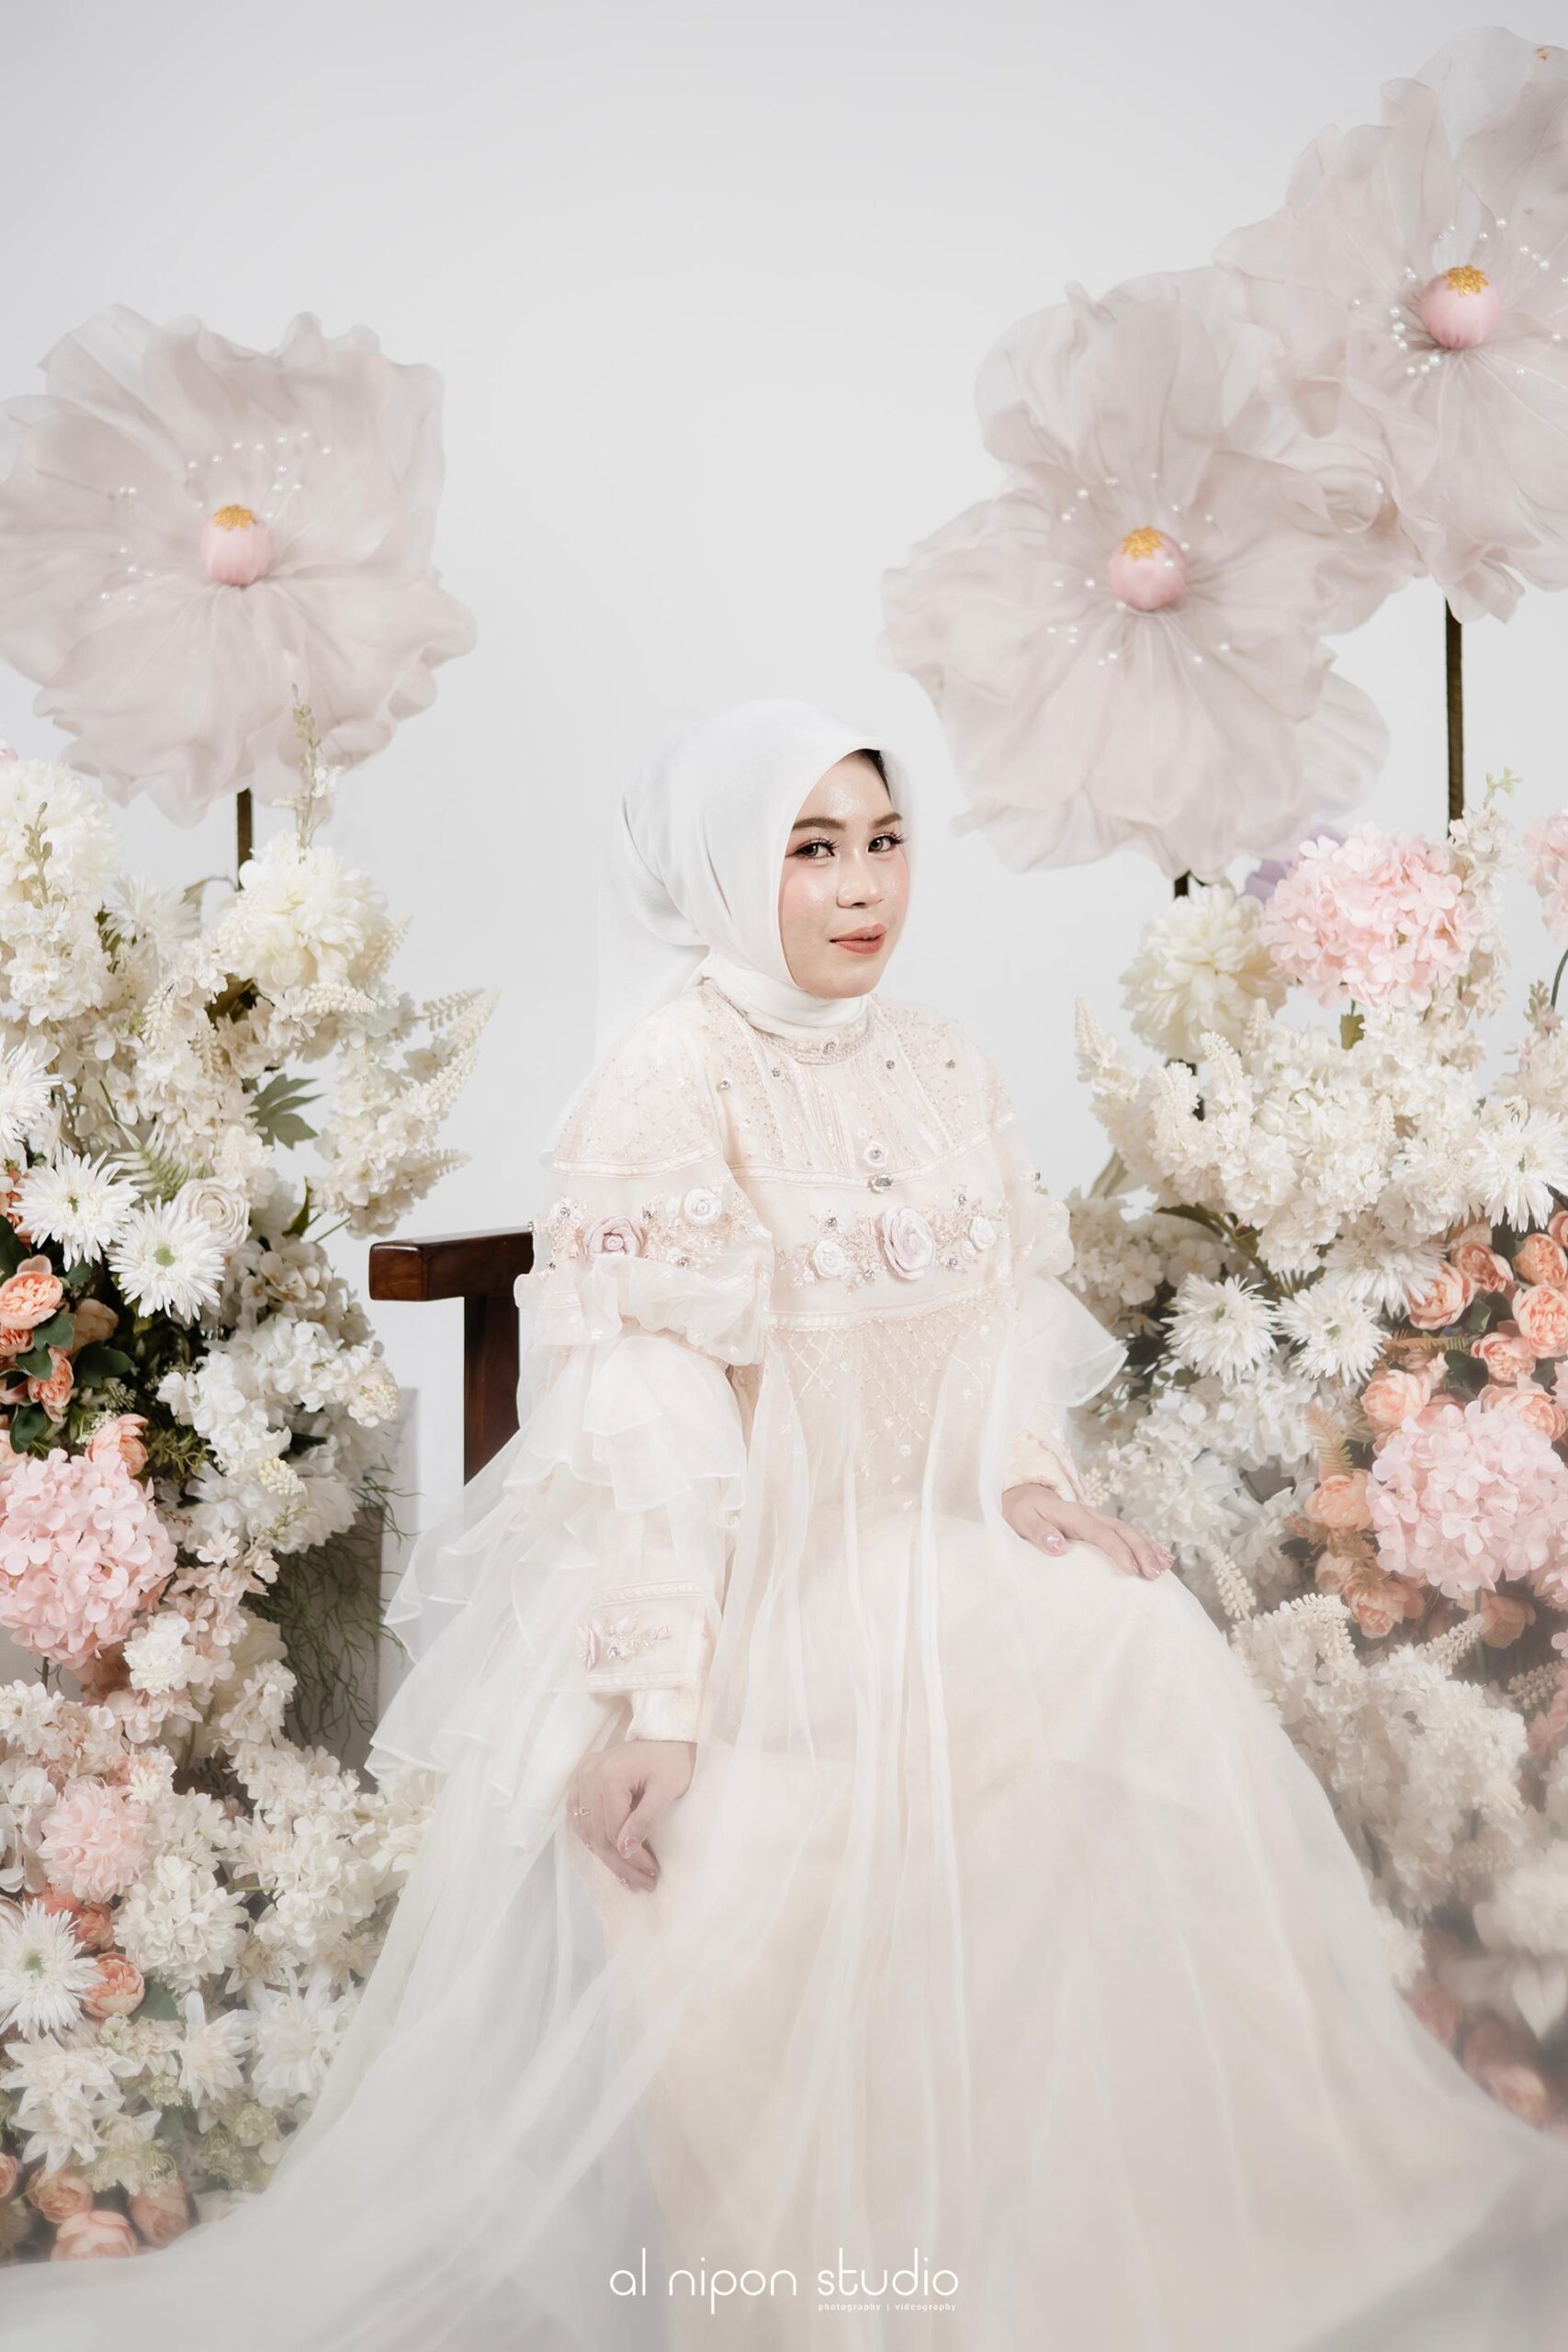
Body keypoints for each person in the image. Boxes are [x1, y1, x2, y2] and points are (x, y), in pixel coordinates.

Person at [7, 696, 1568, 2350]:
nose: (862, 885)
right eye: (812, 849)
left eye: (884, 842)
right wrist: (662, 1702)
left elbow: (999, 1323)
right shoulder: (672, 1080)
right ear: (723, 871)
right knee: (772, 1839)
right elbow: (646, 1424)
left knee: (1133, 1641)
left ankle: (1164, 2247)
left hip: (929, 1555)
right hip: (747, 1601)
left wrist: (1030, 1480)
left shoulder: (939, 1060)